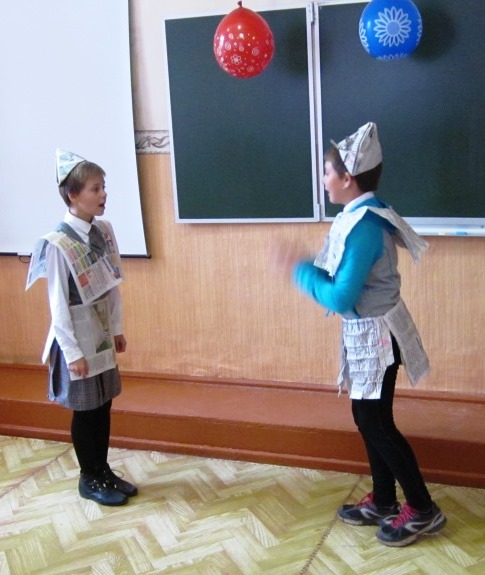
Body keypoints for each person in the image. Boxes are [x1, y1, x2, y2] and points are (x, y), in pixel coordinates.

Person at [273, 122, 446, 547]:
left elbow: (340, 295)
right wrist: (308, 269)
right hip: (366, 332)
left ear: (347, 178)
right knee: (367, 419)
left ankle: (423, 508)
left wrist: (299, 270)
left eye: (327, 172)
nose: (323, 179)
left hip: (379, 336)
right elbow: (340, 284)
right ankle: (384, 501)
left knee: (376, 423)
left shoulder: (366, 226)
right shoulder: (356, 216)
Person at [26, 149, 137, 506]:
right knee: (86, 410)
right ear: (73, 195)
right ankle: (89, 477)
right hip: (76, 339)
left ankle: (103, 470)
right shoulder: (58, 243)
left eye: (103, 187)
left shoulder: (103, 230)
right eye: (95, 188)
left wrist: (116, 327)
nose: (103, 194)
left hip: (100, 332)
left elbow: (112, 284)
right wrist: (72, 353)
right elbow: (58, 302)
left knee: (103, 405)